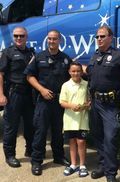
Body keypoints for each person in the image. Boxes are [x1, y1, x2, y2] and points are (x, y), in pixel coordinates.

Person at [86, 25, 120, 182]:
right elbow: (91, 77)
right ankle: (102, 166)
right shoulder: (95, 55)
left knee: (110, 138)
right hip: (95, 103)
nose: (99, 39)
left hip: (110, 105)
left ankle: (111, 173)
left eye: (102, 36)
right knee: (97, 137)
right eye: (97, 37)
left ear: (110, 38)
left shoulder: (118, 55)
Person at [24, 30, 72, 176]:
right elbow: (29, 76)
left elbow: (73, 76)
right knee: (41, 130)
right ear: (47, 40)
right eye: (50, 39)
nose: (52, 41)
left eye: (55, 39)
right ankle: (37, 161)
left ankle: (58, 156)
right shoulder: (39, 57)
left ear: (60, 41)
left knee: (58, 131)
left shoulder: (65, 58)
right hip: (44, 100)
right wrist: (42, 89)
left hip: (59, 100)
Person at [0, 27, 35, 168]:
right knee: (11, 127)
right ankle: (10, 155)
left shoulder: (31, 52)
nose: (18, 38)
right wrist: (1, 94)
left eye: (21, 35)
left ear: (26, 36)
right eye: (16, 36)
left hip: (29, 94)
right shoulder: (7, 53)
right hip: (14, 94)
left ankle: (30, 150)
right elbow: (0, 74)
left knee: (30, 124)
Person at [59, 61, 90, 177]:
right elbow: (62, 102)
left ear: (82, 72)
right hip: (70, 119)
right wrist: (71, 106)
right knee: (72, 142)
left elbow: (89, 101)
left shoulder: (86, 84)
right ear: (69, 72)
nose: (76, 73)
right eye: (73, 71)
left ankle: (82, 165)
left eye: (78, 71)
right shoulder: (65, 85)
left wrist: (87, 105)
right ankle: (73, 164)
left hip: (82, 119)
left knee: (81, 142)